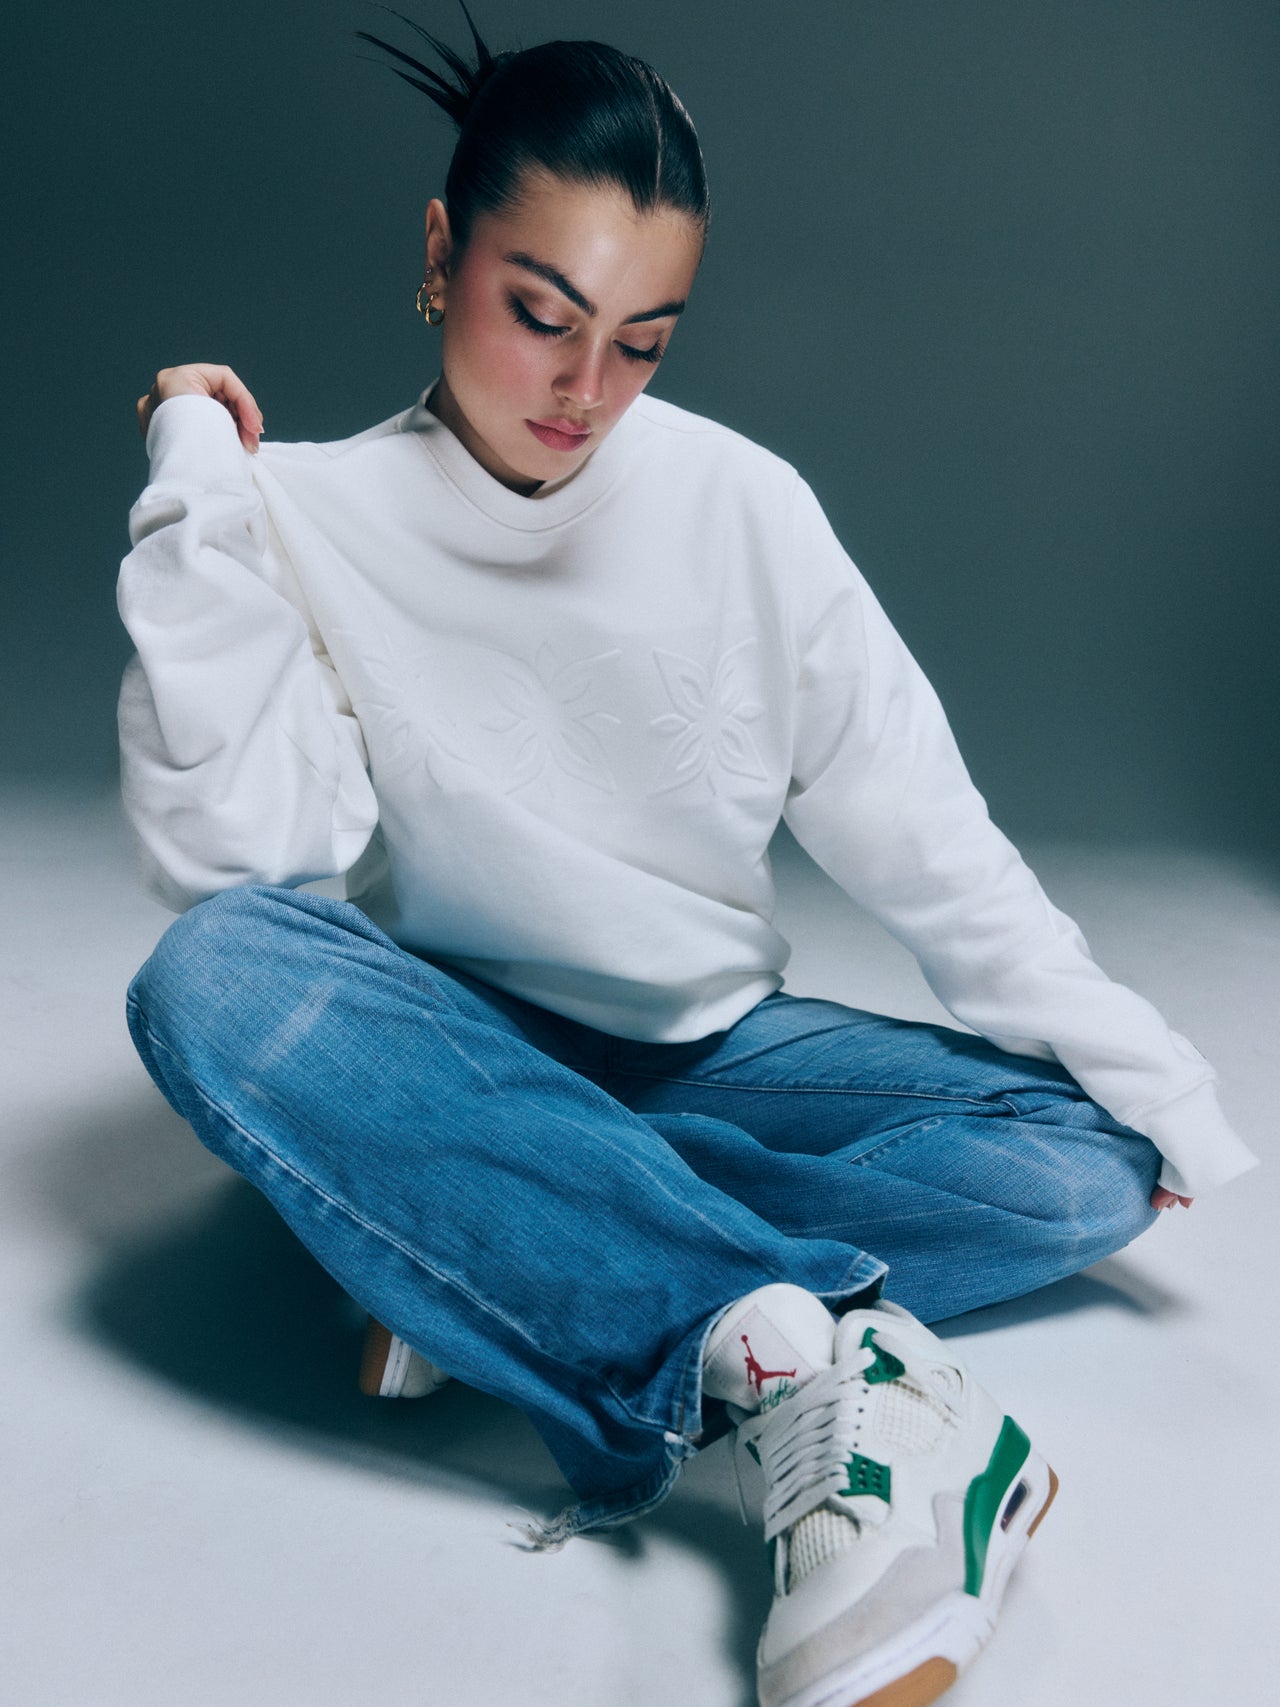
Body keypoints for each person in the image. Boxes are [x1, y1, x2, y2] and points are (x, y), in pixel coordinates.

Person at [116, 7, 1258, 1705]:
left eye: (644, 340)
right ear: (444, 254)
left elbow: (933, 843)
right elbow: (241, 847)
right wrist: (195, 470)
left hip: (711, 1053)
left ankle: (493, 1261)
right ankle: (806, 1379)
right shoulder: (303, 512)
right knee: (211, 981)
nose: (586, 391)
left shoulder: (745, 508)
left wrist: (1162, 1094)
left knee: (1078, 1167)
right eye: (544, 316)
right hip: (446, 1043)